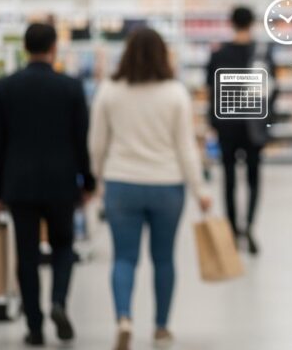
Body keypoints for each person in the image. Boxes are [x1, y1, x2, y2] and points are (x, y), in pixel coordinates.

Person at [90, 27, 213, 350]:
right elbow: (186, 147)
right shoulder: (175, 93)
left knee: (124, 258)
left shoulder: (110, 90)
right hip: (166, 185)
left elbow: (97, 143)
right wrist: (199, 188)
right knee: (164, 258)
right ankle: (160, 326)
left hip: (122, 183)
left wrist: (97, 177)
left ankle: (124, 318)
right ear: (163, 55)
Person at [0, 23, 96, 347]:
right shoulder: (71, 87)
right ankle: (59, 302)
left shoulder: (5, 87)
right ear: (54, 48)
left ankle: (34, 326)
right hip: (61, 183)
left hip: (19, 185)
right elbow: (82, 141)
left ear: (25, 48)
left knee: (27, 254)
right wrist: (87, 181)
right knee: (63, 246)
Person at [205, 6, 276, 254]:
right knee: (254, 178)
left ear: (230, 23)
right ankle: (250, 229)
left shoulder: (219, 54)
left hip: (226, 125)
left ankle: (233, 232)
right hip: (253, 125)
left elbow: (212, 91)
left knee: (229, 179)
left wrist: (213, 122)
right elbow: (271, 91)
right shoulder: (262, 53)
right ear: (252, 23)